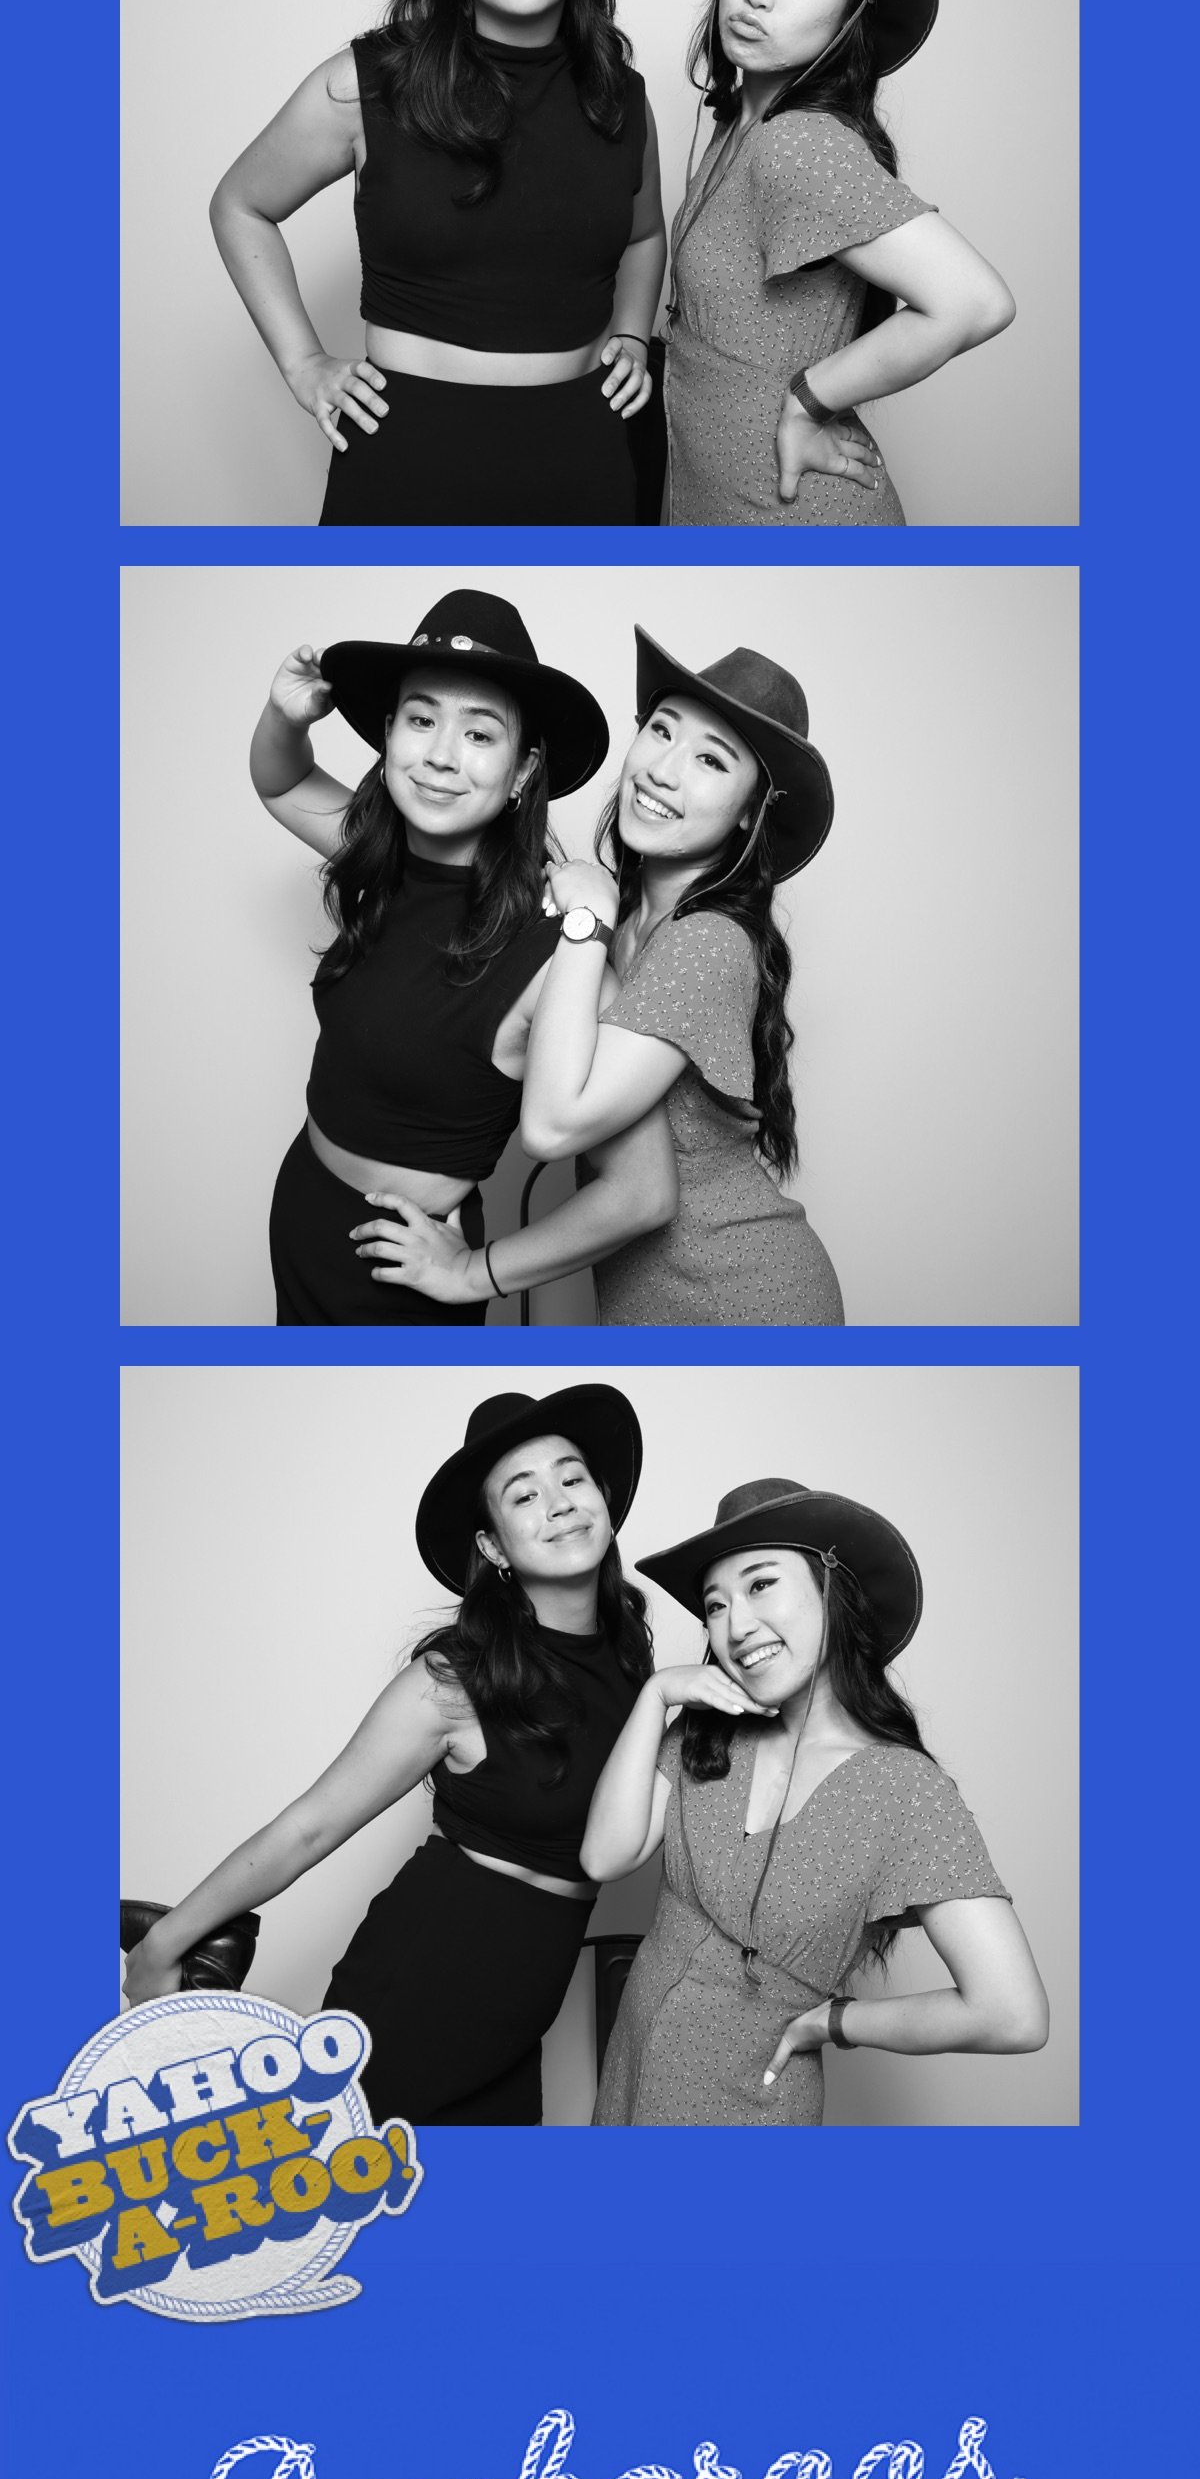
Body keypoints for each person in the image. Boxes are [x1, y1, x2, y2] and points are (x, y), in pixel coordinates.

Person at [122, 1387, 652, 2128]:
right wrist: (166, 1942)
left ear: (604, 1498)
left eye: (572, 1478)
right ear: (494, 1547)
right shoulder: (454, 1681)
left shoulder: (633, 1664)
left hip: (515, 2024)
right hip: (419, 1993)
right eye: (524, 1495)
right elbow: (308, 1827)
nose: (559, 1503)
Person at [210, 0, 666, 526]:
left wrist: (632, 334)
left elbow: (646, 234)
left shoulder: (622, 97)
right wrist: (303, 363)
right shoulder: (366, 84)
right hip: (406, 461)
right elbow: (240, 205)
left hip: (584, 459)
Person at [252, 588, 675, 1324]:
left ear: (522, 772)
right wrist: (284, 716)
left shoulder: (562, 945)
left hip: (395, 1283)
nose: (441, 756)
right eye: (421, 720)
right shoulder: (378, 857)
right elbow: (282, 780)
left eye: (479, 734)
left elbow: (643, 1194)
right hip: (301, 1221)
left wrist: (474, 1273)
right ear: (388, 735)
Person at [584, 1475, 1048, 2125]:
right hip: (632, 2077)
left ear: (832, 1589)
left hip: (750, 2109)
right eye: (715, 1605)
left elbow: (1012, 2013)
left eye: (760, 1585)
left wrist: (833, 2022)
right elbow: (603, 1857)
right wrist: (655, 1696)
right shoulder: (705, 1730)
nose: (736, 1625)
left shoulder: (904, 1791)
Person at [499, 626, 845, 1326]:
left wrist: (469, 1270)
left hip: (743, 1302)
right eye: (661, 730)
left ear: (750, 812)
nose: (662, 769)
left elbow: (554, 1125)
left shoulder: (706, 943)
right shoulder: (623, 918)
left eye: (711, 760)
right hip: (652, 1298)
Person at [664, 0, 1015, 527]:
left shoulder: (797, 143)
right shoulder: (741, 124)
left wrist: (809, 400)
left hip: (791, 518)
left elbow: (975, 302)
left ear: (853, 11)